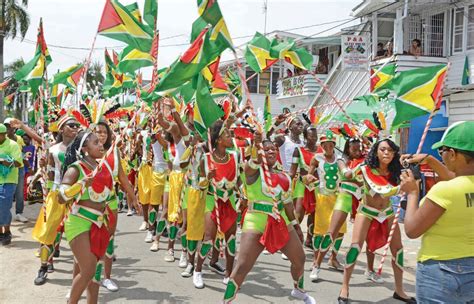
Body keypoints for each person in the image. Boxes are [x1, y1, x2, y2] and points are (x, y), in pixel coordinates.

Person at [222, 135, 315, 304]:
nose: (271, 150)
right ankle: (225, 301)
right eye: (266, 149)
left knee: (299, 258)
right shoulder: (252, 172)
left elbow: (287, 205)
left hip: (280, 221)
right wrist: (257, 150)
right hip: (255, 220)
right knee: (242, 266)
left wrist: (296, 225)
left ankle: (298, 290)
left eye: (273, 148)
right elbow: (251, 166)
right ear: (259, 152)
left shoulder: (285, 177)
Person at [400, 121, 474, 303]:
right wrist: (430, 160)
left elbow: (412, 230)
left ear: (453, 153)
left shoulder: (444, 191)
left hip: (440, 271)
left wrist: (412, 193)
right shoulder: (457, 186)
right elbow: (459, 180)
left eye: (442, 152)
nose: (442, 156)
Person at [338, 138, 415, 304]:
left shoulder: (397, 171)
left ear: (394, 153)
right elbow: (347, 176)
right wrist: (343, 165)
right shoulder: (365, 168)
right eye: (382, 149)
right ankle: (344, 287)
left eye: (390, 150)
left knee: (398, 250)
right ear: (376, 152)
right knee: (355, 247)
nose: (386, 153)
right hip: (366, 211)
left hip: (386, 212)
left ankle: (399, 290)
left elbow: (409, 187)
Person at [32, 115, 79, 285]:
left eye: (76, 125)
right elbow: (50, 174)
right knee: (49, 232)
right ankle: (44, 266)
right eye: (71, 125)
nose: (75, 128)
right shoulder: (53, 150)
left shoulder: (82, 149)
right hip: (56, 194)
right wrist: (43, 167)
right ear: (61, 129)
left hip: (76, 195)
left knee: (80, 233)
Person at [194, 120, 240, 288]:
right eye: (228, 135)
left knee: (232, 240)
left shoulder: (235, 156)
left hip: (230, 202)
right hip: (212, 201)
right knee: (208, 239)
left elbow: (239, 180)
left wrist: (240, 191)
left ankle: (229, 274)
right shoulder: (206, 159)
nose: (231, 137)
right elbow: (200, 185)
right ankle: (198, 271)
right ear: (219, 139)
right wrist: (208, 177)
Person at [305, 132, 348, 281]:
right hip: (323, 198)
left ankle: (333, 258)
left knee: (340, 231)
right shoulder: (316, 159)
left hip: (338, 198)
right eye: (325, 145)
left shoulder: (340, 159)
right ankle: (315, 262)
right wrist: (309, 179)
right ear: (321, 146)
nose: (328, 148)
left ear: (334, 146)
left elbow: (345, 172)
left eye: (331, 145)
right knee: (320, 232)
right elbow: (307, 178)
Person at [289, 125, 318, 248]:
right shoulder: (298, 150)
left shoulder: (322, 150)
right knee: (298, 214)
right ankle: (293, 242)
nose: (314, 138)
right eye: (311, 136)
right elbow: (292, 171)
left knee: (315, 214)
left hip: (317, 186)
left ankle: (309, 240)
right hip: (302, 185)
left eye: (315, 136)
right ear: (305, 137)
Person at [0, 123, 23, 246]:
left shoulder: (13, 145)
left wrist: (4, 161)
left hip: (8, 180)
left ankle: (7, 231)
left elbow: (19, 163)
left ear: (3, 135)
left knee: (4, 206)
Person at [4, 118, 28, 223]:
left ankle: (19, 213)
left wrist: (24, 157)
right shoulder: (2, 139)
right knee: (6, 192)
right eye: (6, 126)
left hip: (19, 168)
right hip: (6, 169)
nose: (8, 128)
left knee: (19, 192)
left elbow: (22, 151)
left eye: (10, 126)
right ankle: (5, 214)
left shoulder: (19, 139)